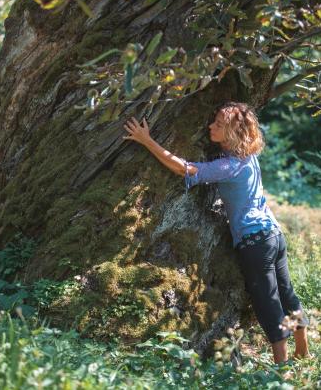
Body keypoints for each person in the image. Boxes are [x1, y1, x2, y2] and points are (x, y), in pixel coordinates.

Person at [123, 101, 309, 364]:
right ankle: (303, 348)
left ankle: (282, 367)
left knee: (267, 303)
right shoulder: (249, 156)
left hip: (255, 242)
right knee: (286, 293)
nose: (211, 126)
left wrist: (147, 140)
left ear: (233, 133)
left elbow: (183, 168)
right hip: (274, 235)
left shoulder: (229, 167)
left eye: (219, 125)